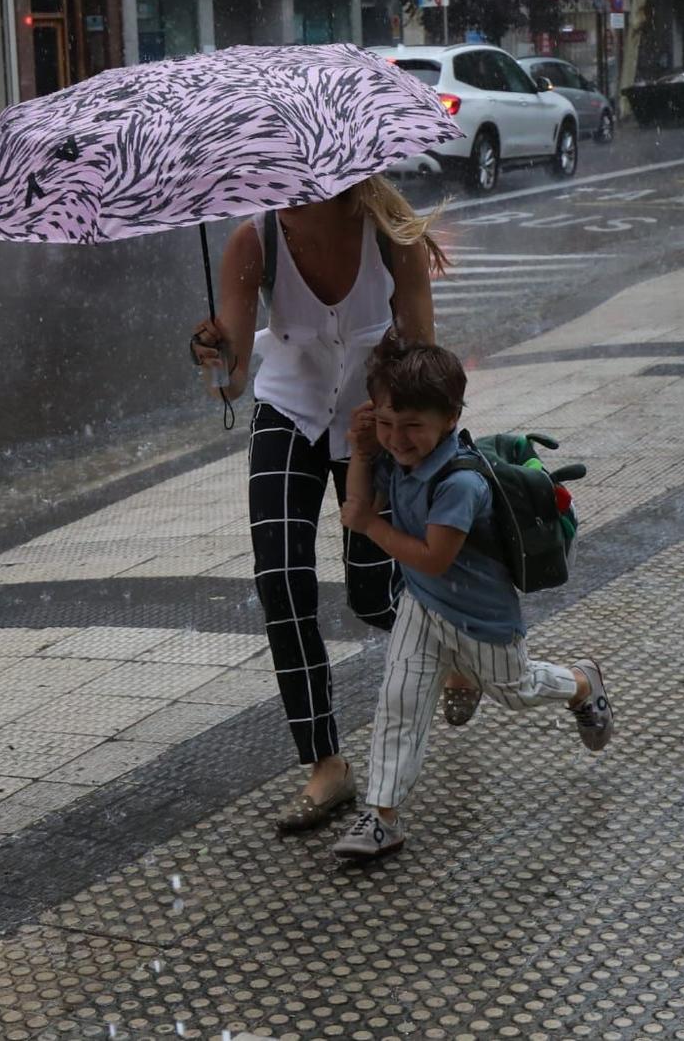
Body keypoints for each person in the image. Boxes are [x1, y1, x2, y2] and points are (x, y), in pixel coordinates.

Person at [190, 177, 479, 834]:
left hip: (375, 423)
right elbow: (231, 381)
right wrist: (214, 355)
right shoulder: (253, 241)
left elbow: (425, 363)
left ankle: (457, 647)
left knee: (373, 596)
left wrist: (400, 443)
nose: (278, 184)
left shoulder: (393, 240)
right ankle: (325, 761)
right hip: (287, 410)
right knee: (282, 582)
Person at [329, 337, 613, 862]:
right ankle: (382, 817)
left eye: (413, 425)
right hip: (421, 603)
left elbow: (432, 555)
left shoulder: (460, 483)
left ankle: (580, 681)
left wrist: (368, 525)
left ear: (450, 417)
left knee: (516, 689)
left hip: (477, 615)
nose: (398, 438)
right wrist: (361, 449)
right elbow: (359, 500)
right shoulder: (396, 456)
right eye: (388, 423)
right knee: (400, 699)